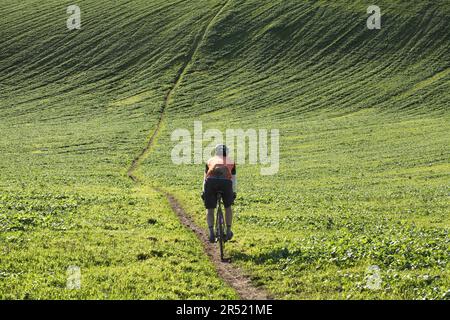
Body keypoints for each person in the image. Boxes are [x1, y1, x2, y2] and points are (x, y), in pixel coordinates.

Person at [202, 144, 237, 243]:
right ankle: (229, 231)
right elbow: (234, 179)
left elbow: (205, 179)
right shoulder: (231, 161)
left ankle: (211, 232)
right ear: (227, 152)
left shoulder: (209, 161)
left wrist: (204, 191)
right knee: (228, 207)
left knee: (210, 208)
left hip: (211, 182)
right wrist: (233, 192)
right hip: (226, 183)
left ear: (215, 152)